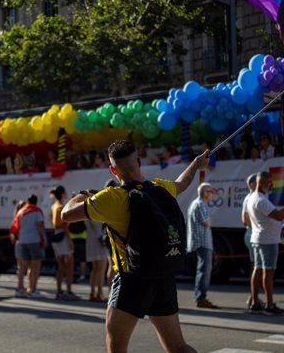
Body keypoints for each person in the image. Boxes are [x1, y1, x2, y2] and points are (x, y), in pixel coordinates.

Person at [61, 139, 208, 353]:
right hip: (162, 276)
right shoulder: (161, 188)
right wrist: (195, 164)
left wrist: (83, 193)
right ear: (139, 161)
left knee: (117, 347)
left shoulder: (111, 198)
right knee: (178, 346)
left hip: (132, 279)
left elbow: (66, 215)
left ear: (113, 170)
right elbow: (182, 183)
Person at [246, 171, 284, 315]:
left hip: (259, 238)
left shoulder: (253, 197)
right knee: (268, 272)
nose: (272, 185)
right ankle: (269, 305)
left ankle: (255, 302)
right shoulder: (261, 200)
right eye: (270, 182)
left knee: (258, 269)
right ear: (261, 183)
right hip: (267, 240)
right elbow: (278, 216)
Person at [186, 182, 218, 309]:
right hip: (203, 242)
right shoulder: (201, 205)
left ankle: (200, 296)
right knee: (204, 271)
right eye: (211, 191)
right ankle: (201, 297)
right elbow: (207, 223)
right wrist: (209, 219)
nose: (212, 194)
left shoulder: (196, 203)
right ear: (204, 193)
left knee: (202, 270)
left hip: (199, 242)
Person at [10, 194, 46, 297]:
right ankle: (32, 289)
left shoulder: (20, 212)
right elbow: (40, 226)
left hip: (22, 241)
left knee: (22, 267)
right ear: (36, 201)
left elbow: (16, 227)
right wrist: (44, 239)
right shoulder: (37, 211)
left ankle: (20, 288)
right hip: (34, 240)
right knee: (35, 266)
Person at [51, 185, 78, 301]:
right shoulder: (60, 207)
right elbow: (65, 226)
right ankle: (68, 291)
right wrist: (70, 240)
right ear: (62, 194)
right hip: (63, 237)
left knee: (61, 266)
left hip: (56, 236)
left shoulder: (54, 206)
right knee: (69, 266)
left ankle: (59, 290)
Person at [241, 174, 263, 309]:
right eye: (259, 182)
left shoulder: (249, 197)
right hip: (253, 235)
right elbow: (245, 219)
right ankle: (253, 298)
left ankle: (253, 297)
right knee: (257, 267)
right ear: (252, 184)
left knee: (255, 267)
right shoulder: (252, 198)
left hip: (251, 234)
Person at [85, 190, 110, 303]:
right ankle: (99, 293)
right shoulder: (95, 209)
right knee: (101, 269)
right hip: (98, 240)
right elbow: (98, 227)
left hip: (90, 240)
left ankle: (92, 293)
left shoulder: (85, 208)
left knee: (95, 269)